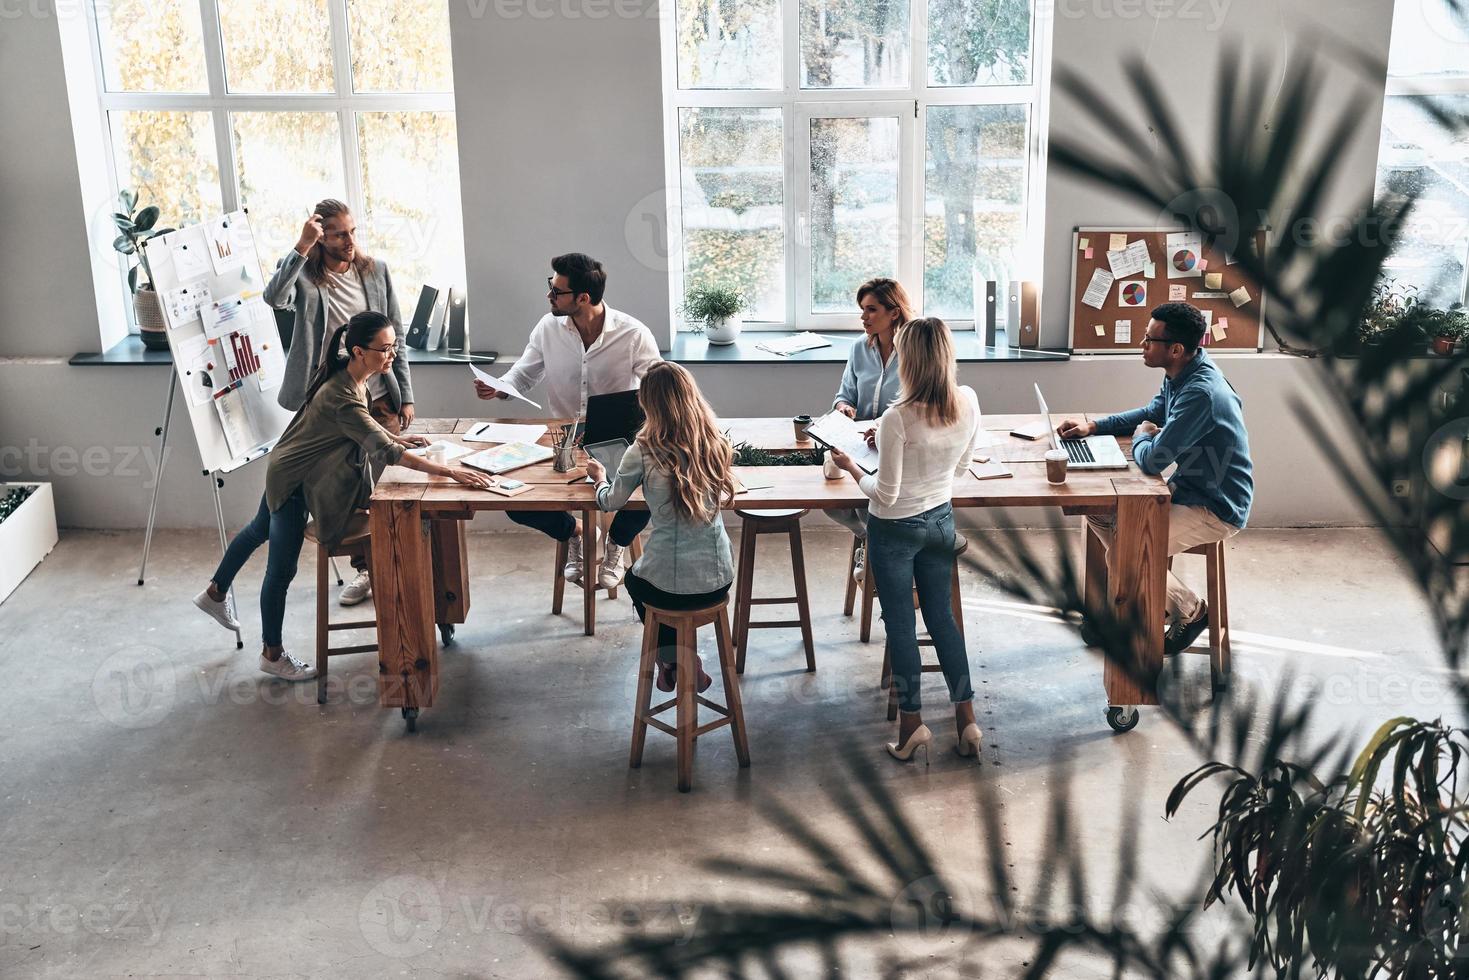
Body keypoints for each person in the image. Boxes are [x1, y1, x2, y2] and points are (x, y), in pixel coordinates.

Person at [192, 312, 491, 681]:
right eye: (385, 349)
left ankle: (215, 591)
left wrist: (396, 436)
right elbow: (385, 452)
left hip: (287, 468)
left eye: (394, 347)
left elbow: (360, 432)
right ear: (359, 351)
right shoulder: (344, 395)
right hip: (295, 484)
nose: (392, 356)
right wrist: (451, 472)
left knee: (258, 529)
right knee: (281, 569)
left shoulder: (350, 376)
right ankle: (272, 653)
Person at [1056, 302, 1253, 656]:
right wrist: (1094, 426)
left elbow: (1153, 460)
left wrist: (1144, 434)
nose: (1142, 346)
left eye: (1149, 340)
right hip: (1187, 490)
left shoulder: (1200, 394)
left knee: (1127, 554)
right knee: (1098, 511)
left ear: (1175, 349)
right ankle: (1129, 601)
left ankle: (1191, 612)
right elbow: (1150, 414)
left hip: (1215, 507)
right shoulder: (1182, 373)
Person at [829, 317, 982, 764]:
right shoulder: (968, 401)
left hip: (894, 530)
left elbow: (884, 494)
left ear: (910, 361)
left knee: (900, 627)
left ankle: (912, 725)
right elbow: (958, 468)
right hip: (940, 522)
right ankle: (966, 718)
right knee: (942, 620)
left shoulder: (898, 417)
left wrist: (852, 465)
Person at [475, 253, 662, 588]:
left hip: (619, 439)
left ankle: (616, 543)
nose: (549, 295)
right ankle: (577, 533)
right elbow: (524, 374)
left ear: (583, 298)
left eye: (557, 291)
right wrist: (499, 388)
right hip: (562, 439)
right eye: (551, 286)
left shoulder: (633, 334)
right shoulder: (548, 327)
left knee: (654, 488)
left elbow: (660, 391)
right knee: (512, 497)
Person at [264, 198, 415, 608]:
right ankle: (366, 572)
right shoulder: (309, 278)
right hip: (333, 403)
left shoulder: (375, 270)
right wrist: (300, 246)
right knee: (347, 493)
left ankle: (396, 567)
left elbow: (395, 332)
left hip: (380, 395)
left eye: (351, 232)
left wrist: (407, 394)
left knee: (390, 488)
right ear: (320, 238)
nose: (349, 241)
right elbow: (273, 298)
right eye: (338, 235)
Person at [585, 362, 736, 693]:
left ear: (648, 403)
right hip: (720, 579)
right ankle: (682, 659)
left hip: (672, 583)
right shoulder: (714, 441)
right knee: (660, 584)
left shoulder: (642, 450)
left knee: (636, 582)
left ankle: (673, 660)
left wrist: (598, 478)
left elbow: (610, 502)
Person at [827, 277, 914, 583]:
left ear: (893, 312)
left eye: (871, 309)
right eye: (862, 309)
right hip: (858, 443)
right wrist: (844, 408)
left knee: (876, 498)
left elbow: (917, 404)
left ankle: (876, 552)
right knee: (830, 500)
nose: (863, 317)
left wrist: (882, 429)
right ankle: (869, 539)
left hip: (896, 445)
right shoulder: (858, 350)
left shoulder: (915, 352)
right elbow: (844, 395)